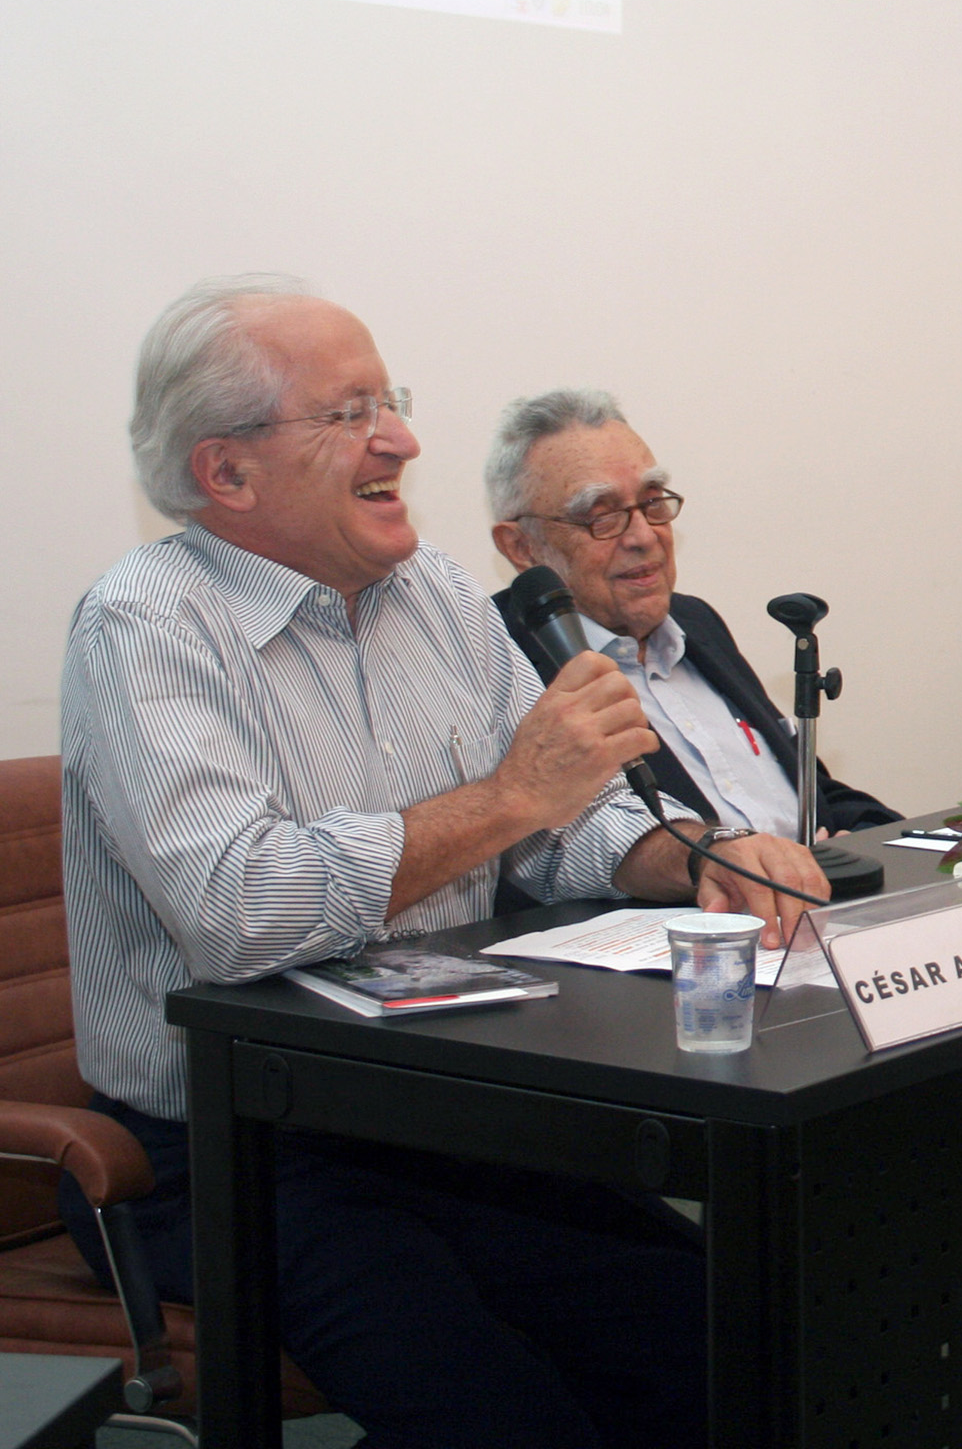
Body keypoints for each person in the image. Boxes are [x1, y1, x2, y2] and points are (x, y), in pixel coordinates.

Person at [60, 276, 828, 1449]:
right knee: (506, 1420)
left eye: (392, 400)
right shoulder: (145, 625)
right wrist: (509, 793)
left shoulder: (439, 601)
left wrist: (702, 856)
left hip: (449, 1114)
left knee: (732, 1350)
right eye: (349, 411)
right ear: (229, 473)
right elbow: (235, 907)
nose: (403, 439)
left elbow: (573, 828)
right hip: (238, 1146)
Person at [484, 388, 899, 841]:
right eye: (601, 516)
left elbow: (814, 795)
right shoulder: (496, 666)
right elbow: (553, 866)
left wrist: (883, 845)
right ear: (521, 547)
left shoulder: (695, 623)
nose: (644, 536)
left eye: (652, 502)